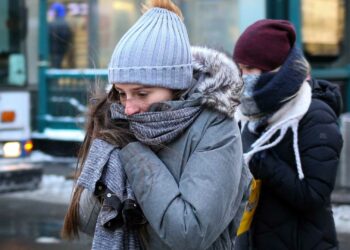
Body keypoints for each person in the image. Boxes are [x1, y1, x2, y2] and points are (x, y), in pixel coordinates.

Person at [62, 1, 252, 249]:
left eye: (142, 94)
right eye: (121, 93)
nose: (129, 107)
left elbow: (188, 232)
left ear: (176, 85)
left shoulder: (215, 128)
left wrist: (133, 152)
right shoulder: (123, 122)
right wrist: (105, 154)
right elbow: (87, 221)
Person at [233, 19, 343, 250]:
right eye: (240, 68)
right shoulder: (248, 115)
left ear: (274, 70)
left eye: (250, 69)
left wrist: (263, 163)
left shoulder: (315, 116)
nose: (243, 77)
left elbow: (313, 195)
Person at [48, 2, 72, 68]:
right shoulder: (64, 24)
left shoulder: (52, 23)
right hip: (60, 52)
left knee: (54, 68)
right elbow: (66, 38)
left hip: (53, 52)